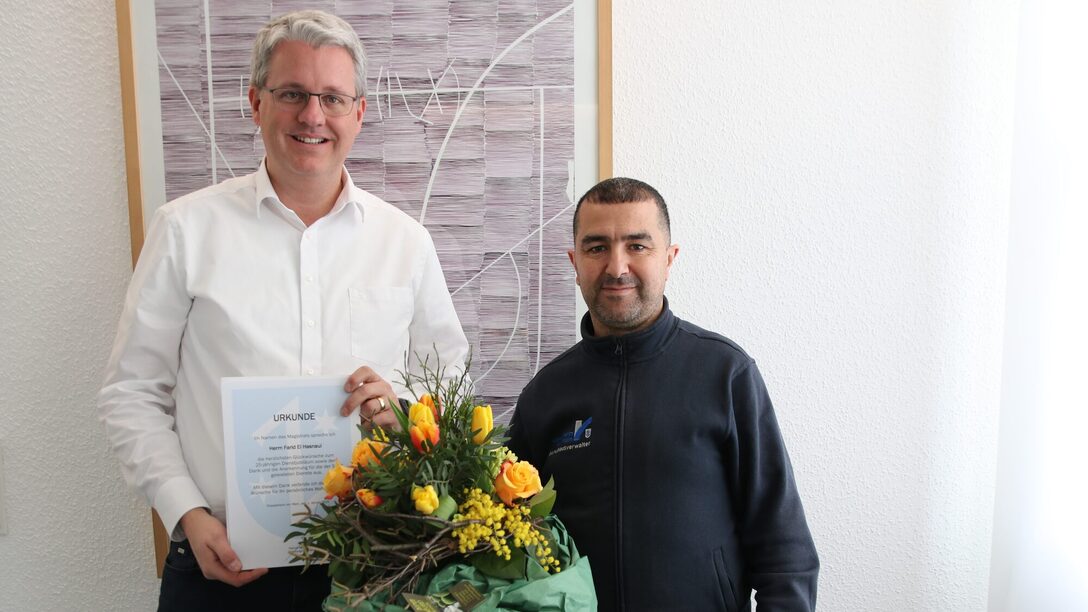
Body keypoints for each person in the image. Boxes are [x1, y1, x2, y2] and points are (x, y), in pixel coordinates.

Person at [97, 10, 468, 611]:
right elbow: (132, 391)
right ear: (256, 103)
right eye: (292, 93)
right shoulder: (186, 230)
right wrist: (185, 513)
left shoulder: (405, 243)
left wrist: (408, 419)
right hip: (220, 564)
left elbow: (451, 386)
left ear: (359, 112)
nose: (313, 116)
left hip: (373, 566)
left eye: (332, 98)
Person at [506, 177, 819, 611]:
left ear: (669, 259)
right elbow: (504, 544)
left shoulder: (726, 374)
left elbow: (786, 552)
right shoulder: (544, 394)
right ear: (574, 262)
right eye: (597, 248)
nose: (617, 267)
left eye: (637, 246)